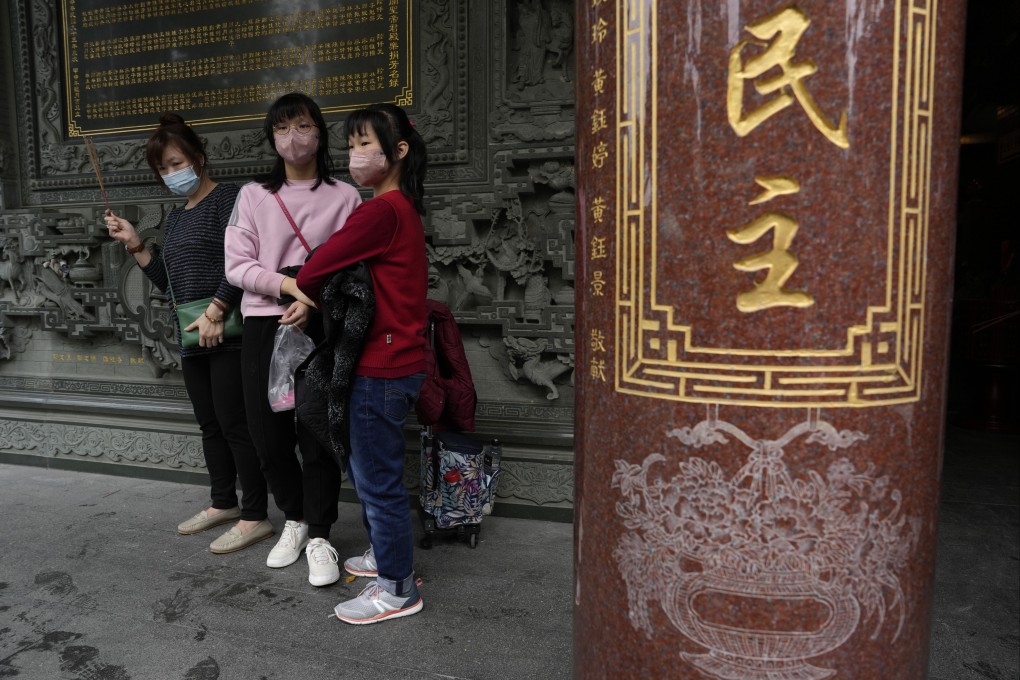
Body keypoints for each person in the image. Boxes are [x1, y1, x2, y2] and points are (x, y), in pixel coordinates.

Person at [105, 114, 271, 554]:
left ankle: (255, 515)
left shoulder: (229, 199)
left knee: (237, 425)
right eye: (162, 168)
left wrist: (218, 310)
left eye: (176, 162)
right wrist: (137, 244)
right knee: (210, 424)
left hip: (230, 329)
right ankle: (223, 503)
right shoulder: (177, 219)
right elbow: (170, 281)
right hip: (193, 332)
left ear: (198, 158)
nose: (170, 173)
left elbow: (244, 262)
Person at [291, 103, 428, 624]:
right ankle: (385, 558)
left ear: (398, 151)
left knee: (377, 482)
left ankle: (397, 590)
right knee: (377, 474)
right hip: (400, 361)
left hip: (381, 366)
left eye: (365, 144)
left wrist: (311, 291)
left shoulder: (379, 212)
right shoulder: (403, 209)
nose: (354, 155)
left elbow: (314, 269)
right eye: (349, 146)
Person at [224, 92, 361, 586]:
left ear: (319, 133)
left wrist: (315, 299)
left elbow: (351, 264)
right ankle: (295, 520)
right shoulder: (253, 195)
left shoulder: (345, 196)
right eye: (282, 129)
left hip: (320, 323)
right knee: (268, 435)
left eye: (301, 126)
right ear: (272, 138)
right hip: (265, 324)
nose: (292, 138)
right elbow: (237, 265)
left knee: (316, 432)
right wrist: (291, 287)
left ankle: (321, 532)